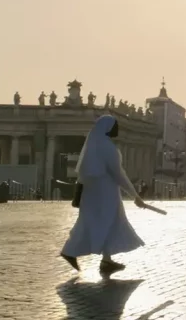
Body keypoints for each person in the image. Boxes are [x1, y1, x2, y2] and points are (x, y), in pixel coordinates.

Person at [60, 115, 146, 274]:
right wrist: (135, 195)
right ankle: (69, 251)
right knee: (108, 221)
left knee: (94, 221)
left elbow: (83, 175)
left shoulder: (93, 147)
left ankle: (106, 260)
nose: (118, 129)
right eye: (115, 126)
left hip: (92, 192)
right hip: (106, 193)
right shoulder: (108, 148)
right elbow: (119, 174)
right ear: (107, 128)